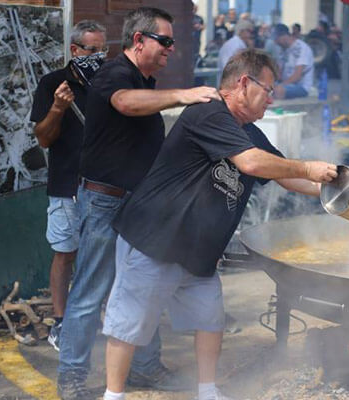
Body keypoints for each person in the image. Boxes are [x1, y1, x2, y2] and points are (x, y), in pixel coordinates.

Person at [101, 49, 337, 400]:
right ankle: (113, 395)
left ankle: (207, 392)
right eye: (268, 90)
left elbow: (286, 176)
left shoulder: (250, 133)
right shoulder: (208, 114)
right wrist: (307, 167)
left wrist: (336, 192)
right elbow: (254, 165)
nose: (272, 98)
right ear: (243, 83)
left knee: (210, 321)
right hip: (155, 239)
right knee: (129, 325)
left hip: (198, 251)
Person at [56, 7, 222, 400]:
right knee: (92, 290)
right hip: (105, 201)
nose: (170, 48)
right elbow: (126, 103)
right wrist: (183, 94)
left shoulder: (144, 79)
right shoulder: (116, 74)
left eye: (171, 41)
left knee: (143, 287)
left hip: (139, 204)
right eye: (164, 41)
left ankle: (145, 368)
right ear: (138, 41)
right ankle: (72, 377)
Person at [30, 20, 107, 353]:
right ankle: (60, 321)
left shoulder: (107, 83)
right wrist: (59, 108)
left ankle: (94, 315)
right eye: (92, 50)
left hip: (105, 183)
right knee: (65, 252)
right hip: (67, 182)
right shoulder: (53, 83)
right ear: (75, 50)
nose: (99, 57)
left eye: (104, 50)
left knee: (102, 254)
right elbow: (44, 137)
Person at [272, 23, 314, 99]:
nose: (275, 43)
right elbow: (279, 74)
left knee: (278, 91)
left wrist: (280, 85)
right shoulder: (283, 50)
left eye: (276, 39)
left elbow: (297, 76)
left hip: (301, 87)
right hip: (287, 84)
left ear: (283, 37)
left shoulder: (301, 48)